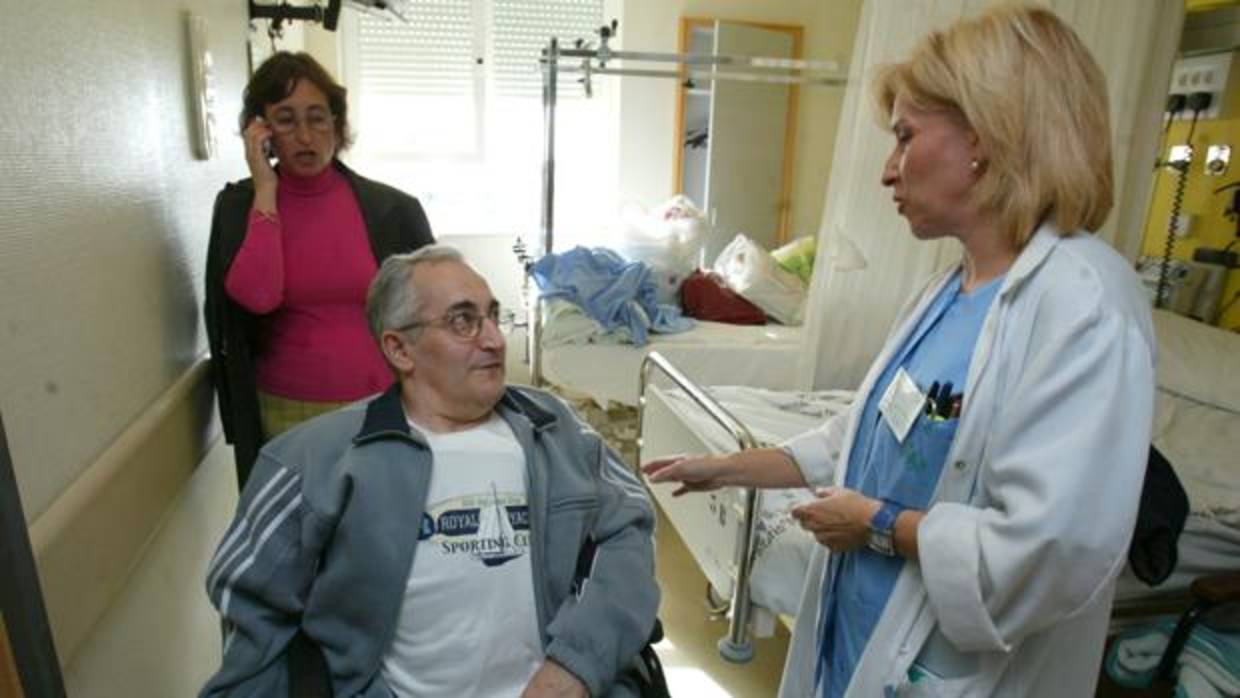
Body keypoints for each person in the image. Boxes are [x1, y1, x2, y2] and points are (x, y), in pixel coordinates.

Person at [644, 6, 1155, 697]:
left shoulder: (1083, 301)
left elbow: (1048, 552)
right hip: (858, 636)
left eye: (906, 137)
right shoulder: (948, 290)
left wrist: (878, 525)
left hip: (956, 669)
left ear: (986, 135)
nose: (889, 171)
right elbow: (868, 431)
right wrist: (734, 466)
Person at [201, 246, 659, 697]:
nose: (495, 339)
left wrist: (577, 665)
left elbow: (629, 534)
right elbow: (249, 602)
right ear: (400, 349)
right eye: (463, 320)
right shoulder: (312, 460)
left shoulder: (556, 430)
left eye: (493, 316)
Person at [204, 51, 434, 486]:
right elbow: (258, 295)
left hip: (382, 403)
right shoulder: (239, 209)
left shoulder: (393, 209)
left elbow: (431, 313)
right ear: (262, 131)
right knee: (303, 544)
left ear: (338, 125)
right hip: (286, 412)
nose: (305, 136)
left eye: (318, 118)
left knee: (381, 537)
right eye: (286, 120)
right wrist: (265, 190)